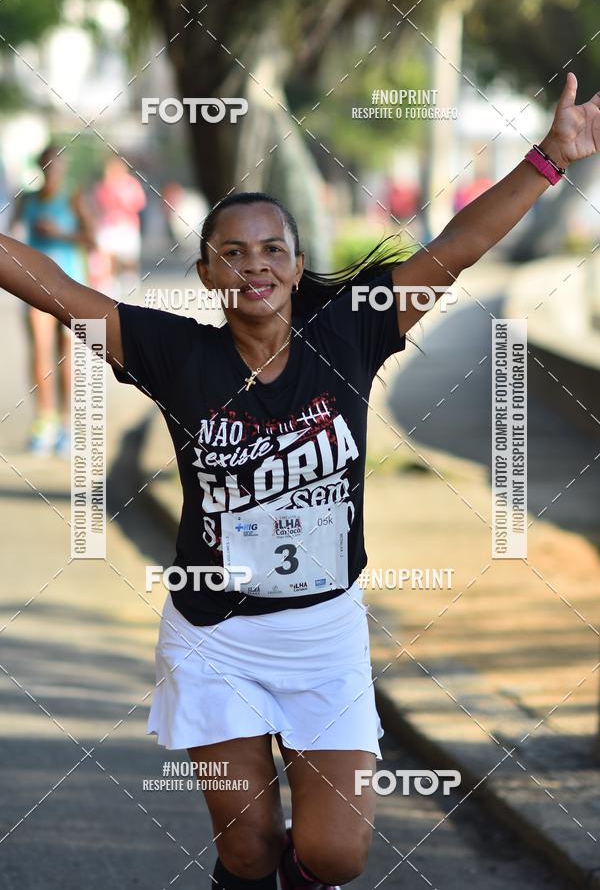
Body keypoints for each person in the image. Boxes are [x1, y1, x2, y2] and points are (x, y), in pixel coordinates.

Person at [0, 73, 595, 889]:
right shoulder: (176, 354)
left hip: (324, 639)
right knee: (246, 851)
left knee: (333, 852)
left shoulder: (350, 330)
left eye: (272, 250)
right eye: (233, 254)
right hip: (216, 639)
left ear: (298, 263)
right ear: (208, 274)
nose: (255, 267)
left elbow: (453, 249)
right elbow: (62, 293)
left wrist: (550, 158)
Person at [10, 144, 95, 456]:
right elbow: (10, 239)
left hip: (70, 286)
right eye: (46, 165)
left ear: (64, 168)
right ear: (41, 167)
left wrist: (59, 234)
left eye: (57, 165)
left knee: (67, 357)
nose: (52, 171)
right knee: (40, 351)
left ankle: (66, 424)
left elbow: (93, 240)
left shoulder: (74, 198)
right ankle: (44, 420)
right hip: (33, 287)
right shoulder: (27, 200)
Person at [93, 156, 146, 299]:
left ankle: (129, 281)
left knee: (128, 257)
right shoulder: (104, 186)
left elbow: (139, 203)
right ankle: (109, 283)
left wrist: (124, 203)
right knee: (107, 255)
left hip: (127, 225)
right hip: (109, 226)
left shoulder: (131, 184)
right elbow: (98, 204)